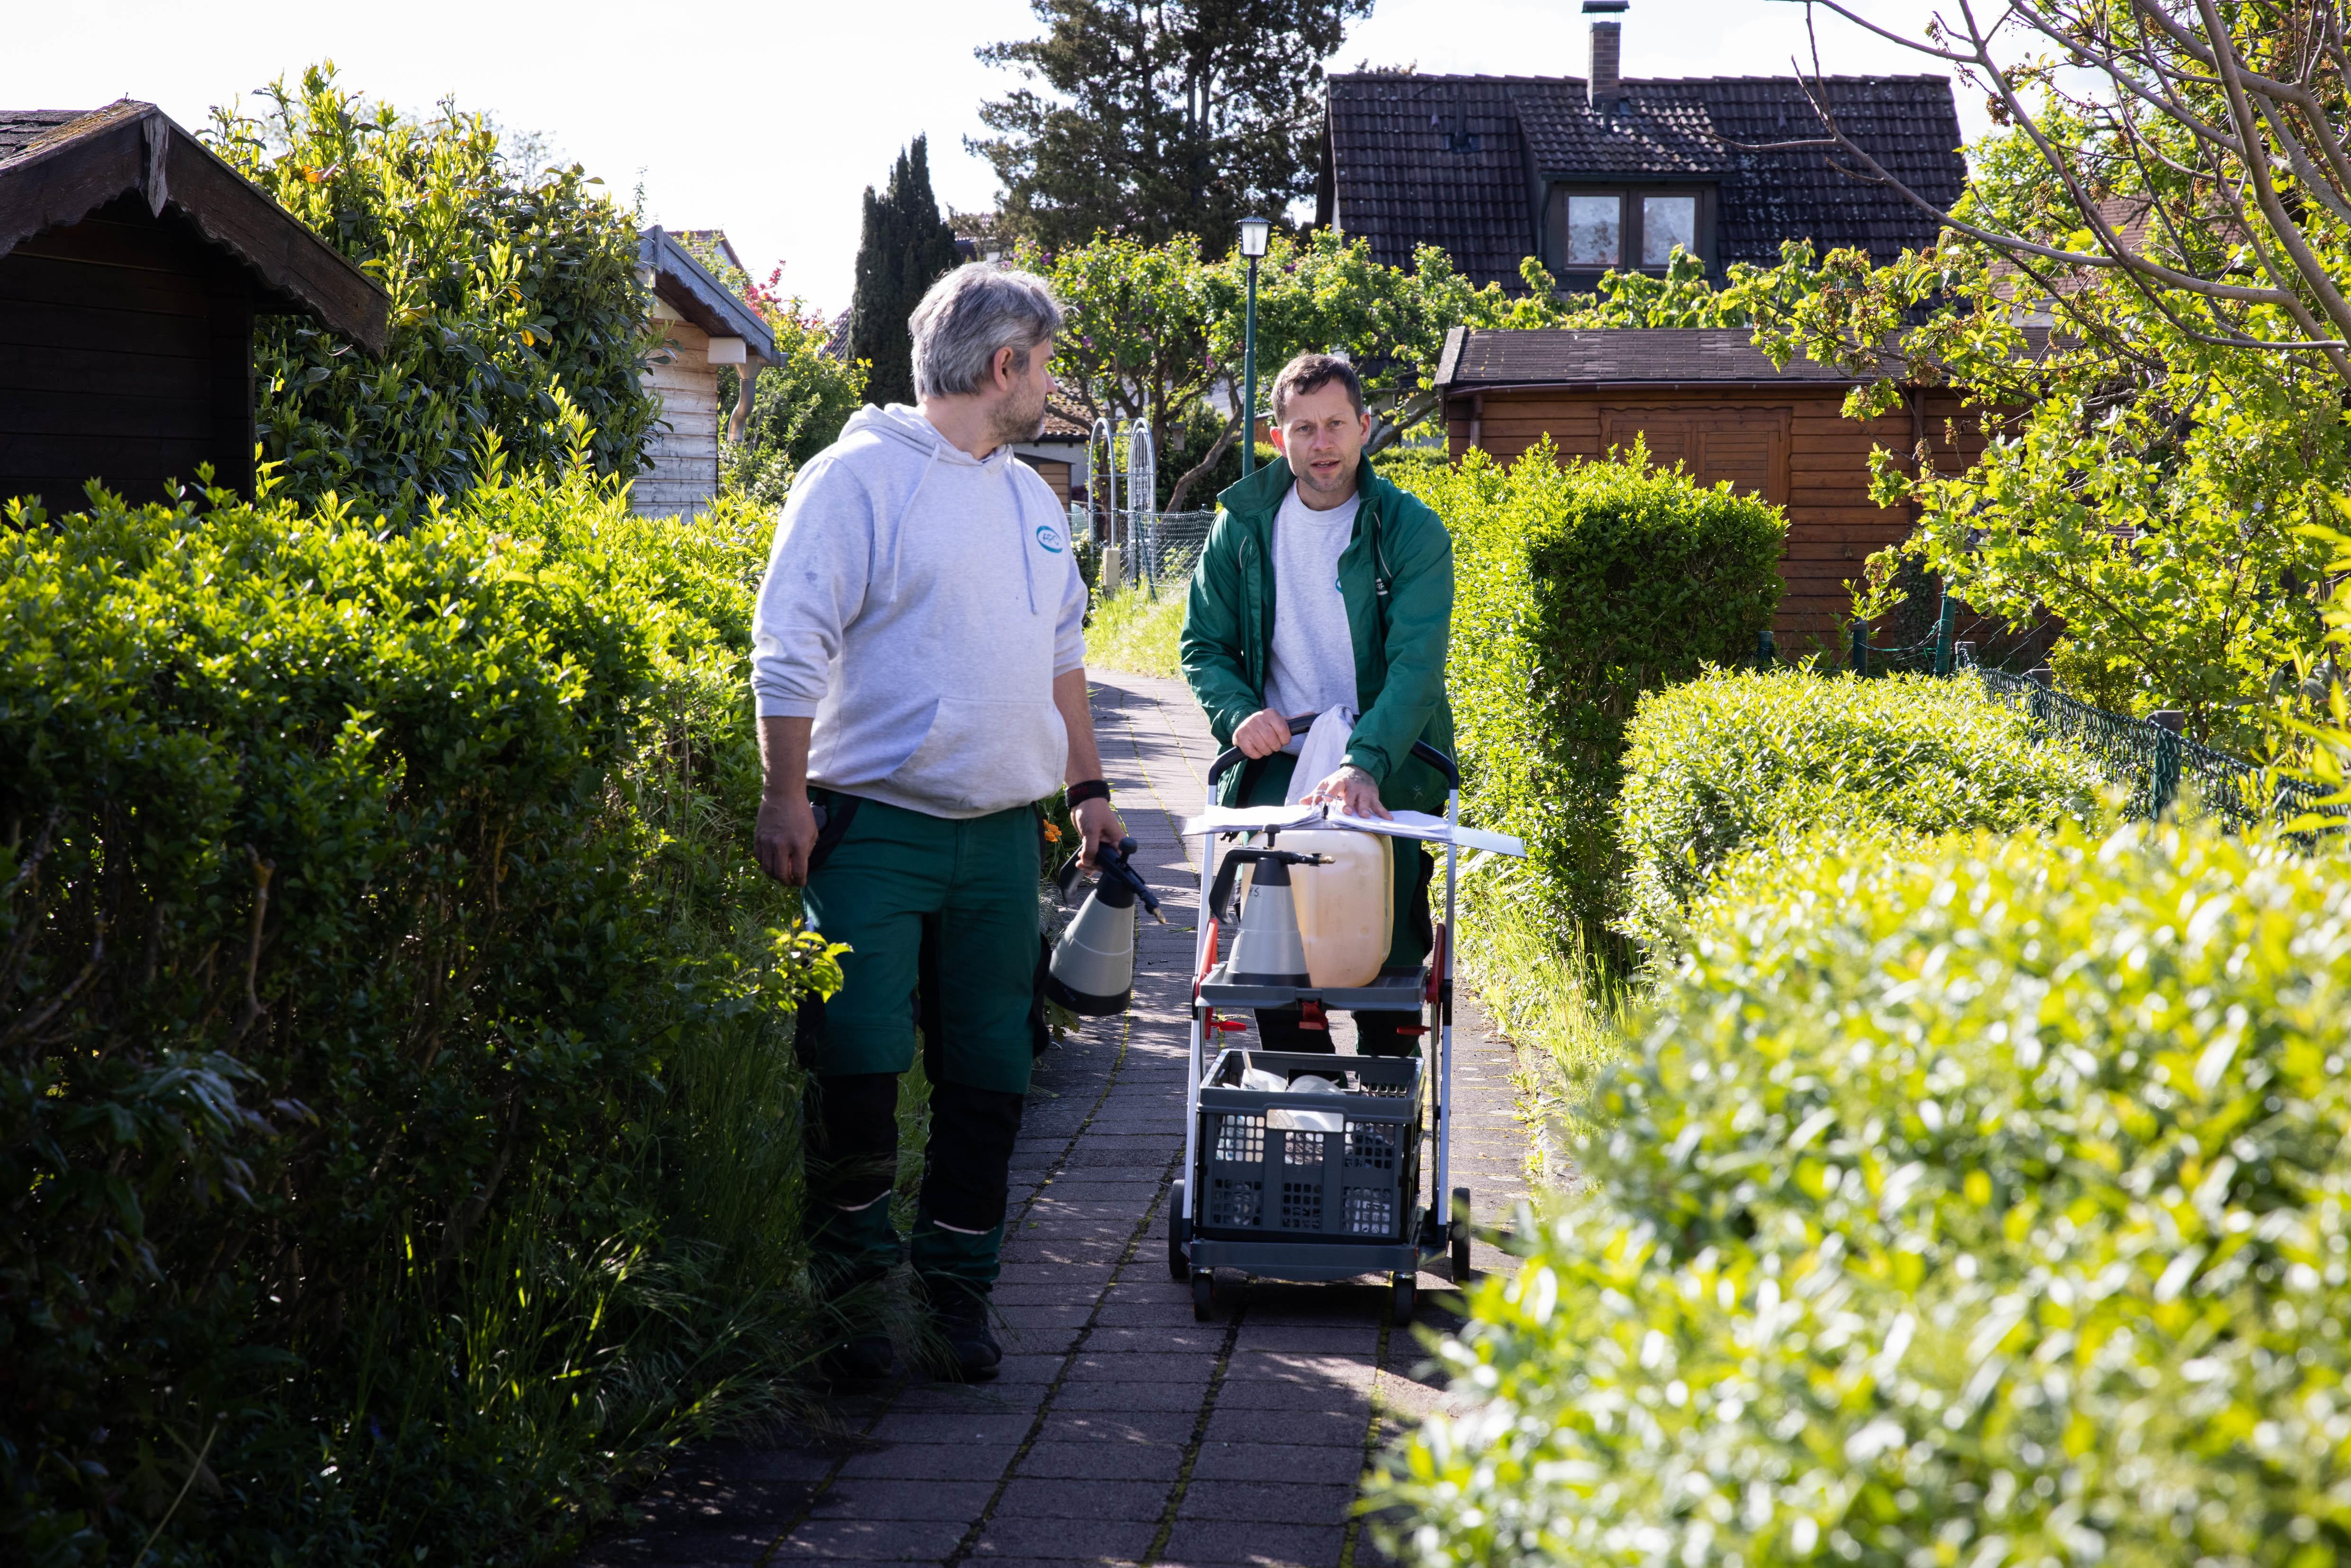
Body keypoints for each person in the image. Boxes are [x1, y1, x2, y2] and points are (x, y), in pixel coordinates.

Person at [750, 263, 1124, 1383]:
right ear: (1004, 365)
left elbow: (1063, 655)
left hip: (1007, 838)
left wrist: (1090, 792)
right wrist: (783, 794)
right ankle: (855, 1307)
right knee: (856, 1066)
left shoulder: (1031, 498)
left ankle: (958, 1298)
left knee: (990, 1078)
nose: (1050, 383)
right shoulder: (854, 478)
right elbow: (789, 642)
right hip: (873, 830)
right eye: (1045, 362)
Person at [1180, 353, 1454, 1059]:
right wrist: (1238, 713)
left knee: (1382, 953)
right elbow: (1202, 645)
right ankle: (1306, 1087)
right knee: (1273, 950)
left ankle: (1381, 1110)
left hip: (1388, 756)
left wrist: (1365, 761)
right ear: (1278, 438)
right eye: (1303, 428)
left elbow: (1416, 667)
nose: (1321, 443)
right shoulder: (1239, 526)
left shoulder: (1411, 531)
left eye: (1336, 424)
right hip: (1280, 756)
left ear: (1365, 428)